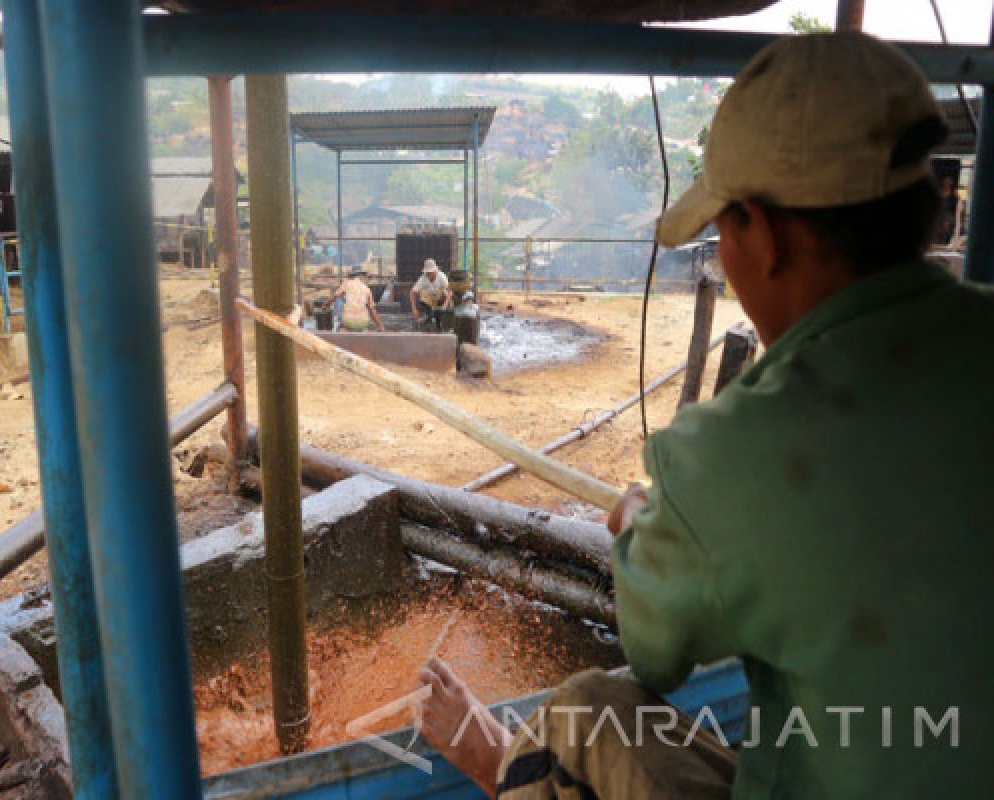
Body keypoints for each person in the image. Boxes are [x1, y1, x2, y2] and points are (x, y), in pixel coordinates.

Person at [417, 32, 990, 799]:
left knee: (584, 709)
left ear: (769, 232)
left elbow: (655, 651)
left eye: (723, 228)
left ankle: (503, 773)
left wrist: (642, 530)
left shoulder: (732, 454)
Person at [331, 266, 385, 332]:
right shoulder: (366, 289)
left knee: (339, 301)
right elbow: (372, 310)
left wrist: (325, 305)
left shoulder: (346, 284)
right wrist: (379, 325)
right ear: (361, 277)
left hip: (348, 321)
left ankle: (343, 329)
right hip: (363, 322)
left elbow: (334, 297)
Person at [410, 257, 452, 330]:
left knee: (442, 310)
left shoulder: (441, 276)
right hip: (430, 298)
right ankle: (429, 317)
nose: (429, 274)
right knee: (423, 294)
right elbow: (412, 292)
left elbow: (449, 291)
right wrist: (414, 308)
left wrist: (445, 305)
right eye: (427, 273)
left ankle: (440, 320)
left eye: (430, 272)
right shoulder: (423, 278)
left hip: (440, 298)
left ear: (435, 271)